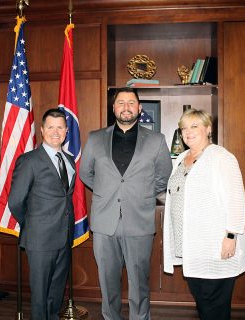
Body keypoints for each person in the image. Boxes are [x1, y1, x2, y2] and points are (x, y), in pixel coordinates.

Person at [80, 87, 172, 320]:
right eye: (121, 103)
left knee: (139, 280)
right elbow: (85, 173)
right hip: (104, 221)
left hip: (139, 221)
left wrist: (141, 194)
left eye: (131, 103)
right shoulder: (95, 138)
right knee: (108, 280)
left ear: (139, 109)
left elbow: (163, 176)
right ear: (113, 108)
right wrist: (107, 191)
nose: (126, 107)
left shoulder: (156, 140)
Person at [163, 108, 245, 320]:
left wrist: (231, 236)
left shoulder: (221, 157)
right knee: (202, 298)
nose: (188, 132)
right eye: (184, 128)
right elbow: (179, 193)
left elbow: (237, 199)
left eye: (194, 126)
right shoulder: (182, 157)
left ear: (208, 129)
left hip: (215, 243)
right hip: (191, 245)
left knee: (214, 301)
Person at [8, 108, 76, 320]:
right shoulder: (29, 160)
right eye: (50, 127)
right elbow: (15, 201)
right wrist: (33, 225)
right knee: (40, 295)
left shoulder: (69, 159)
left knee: (56, 292)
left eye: (60, 127)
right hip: (40, 239)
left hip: (64, 237)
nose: (56, 132)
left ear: (66, 131)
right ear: (42, 130)